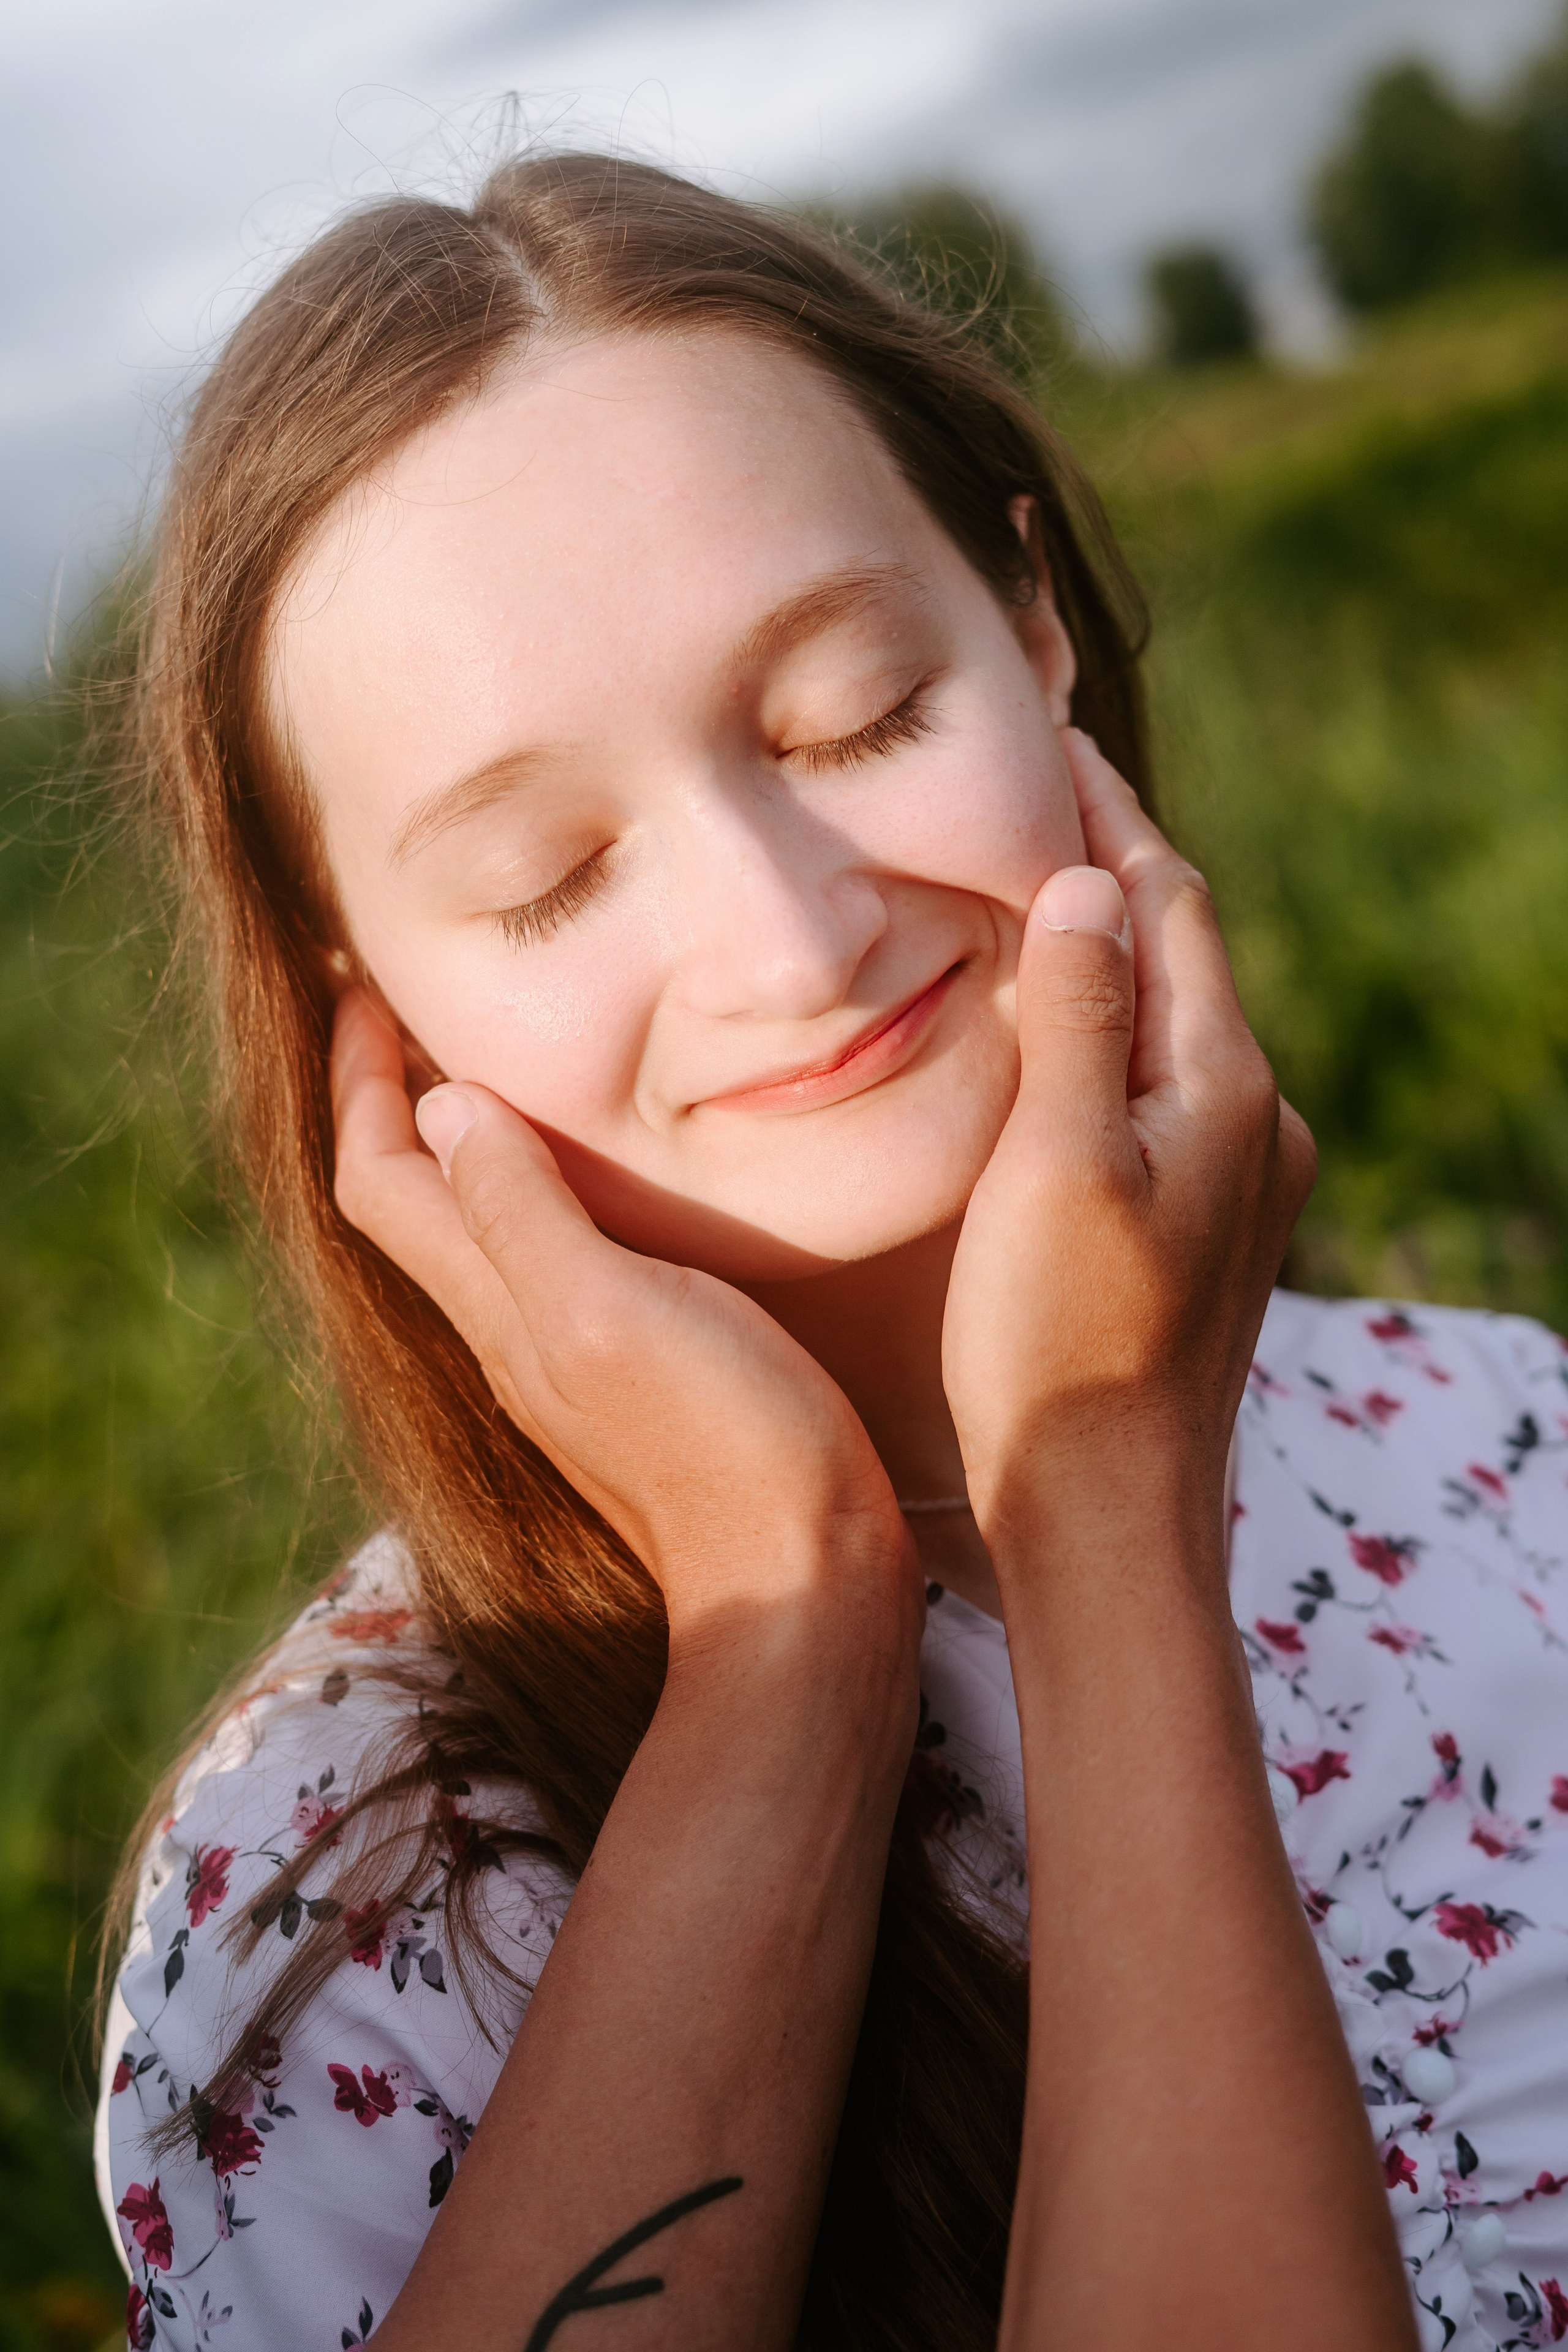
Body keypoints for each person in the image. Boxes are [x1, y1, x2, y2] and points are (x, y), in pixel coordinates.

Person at [93, 154, 1568, 2352]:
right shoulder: (342, 1897)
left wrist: (1095, 1501)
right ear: (358, 986)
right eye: (543, 872)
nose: (788, 940)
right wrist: (787, 1637)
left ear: (1035, 627)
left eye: (859, 714)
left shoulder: (1516, 1458)